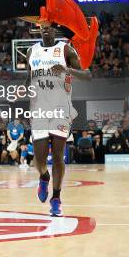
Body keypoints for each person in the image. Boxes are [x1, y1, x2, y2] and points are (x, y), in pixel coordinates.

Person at [25, 24, 91, 216]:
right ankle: (44, 177)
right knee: (39, 159)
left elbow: (87, 75)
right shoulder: (31, 51)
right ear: (39, 29)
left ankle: (56, 198)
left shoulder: (65, 49)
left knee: (58, 155)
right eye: (43, 26)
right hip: (38, 109)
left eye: (50, 26)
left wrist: (66, 70)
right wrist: (23, 89)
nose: (46, 28)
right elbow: (29, 77)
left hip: (61, 108)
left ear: (55, 30)